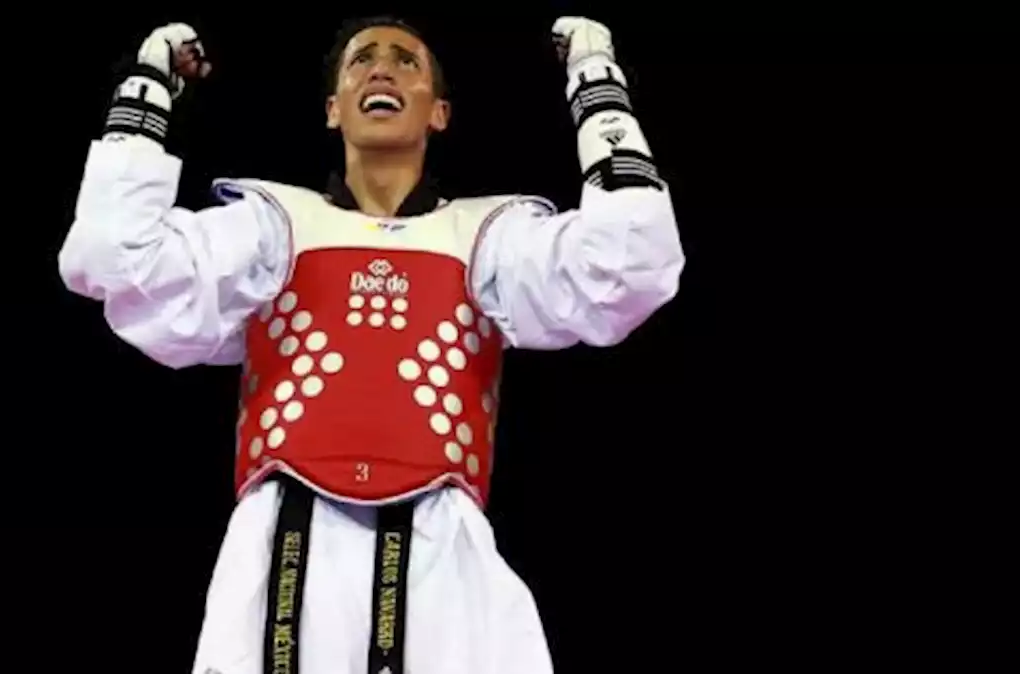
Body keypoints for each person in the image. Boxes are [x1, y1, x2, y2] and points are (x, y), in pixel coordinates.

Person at [60, 15, 683, 674]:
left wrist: (596, 82)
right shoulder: (273, 226)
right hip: (282, 548)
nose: (381, 69)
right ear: (333, 108)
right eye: (361, 60)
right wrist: (147, 89)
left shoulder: (488, 236)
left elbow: (636, 260)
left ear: (439, 112)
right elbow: (111, 257)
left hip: (444, 561)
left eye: (405, 62)